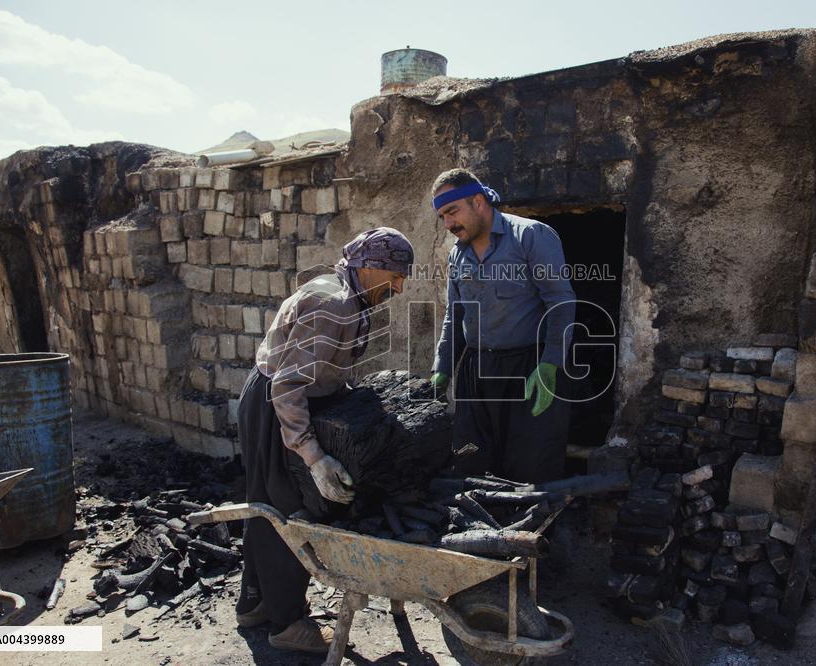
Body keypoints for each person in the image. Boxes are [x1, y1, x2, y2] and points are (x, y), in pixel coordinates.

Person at [236, 227, 414, 653]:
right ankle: (287, 625)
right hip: (279, 408)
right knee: (289, 513)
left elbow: (319, 366)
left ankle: (255, 604)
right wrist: (313, 456)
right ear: (370, 266)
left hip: (280, 400)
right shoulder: (333, 304)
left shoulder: (349, 295)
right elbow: (287, 386)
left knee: (264, 506)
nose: (399, 288)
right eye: (395, 276)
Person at [429, 168, 575, 484]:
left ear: (478, 201)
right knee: (472, 462)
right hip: (476, 370)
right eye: (442, 217)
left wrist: (550, 364)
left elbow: (560, 302)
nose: (448, 224)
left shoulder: (530, 236)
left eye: (452, 211)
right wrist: (442, 368)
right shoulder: (457, 255)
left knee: (529, 467)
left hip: (529, 368)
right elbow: (455, 314)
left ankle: (531, 517)